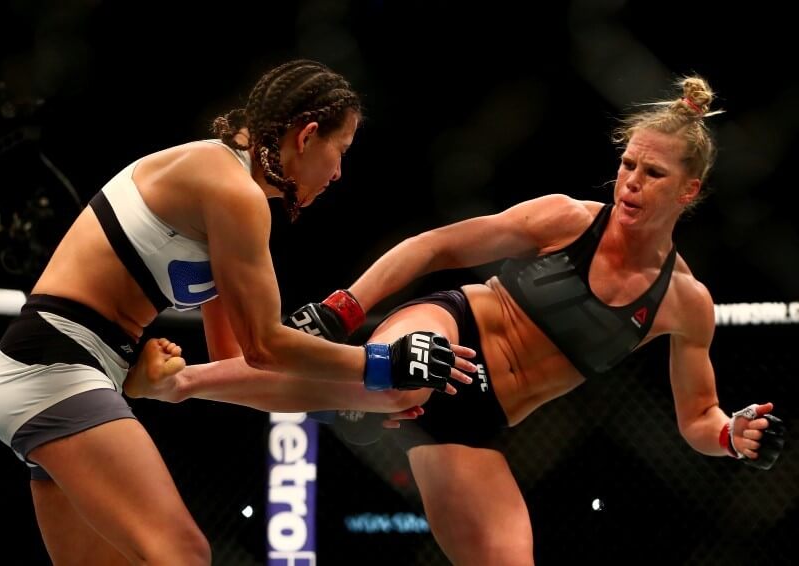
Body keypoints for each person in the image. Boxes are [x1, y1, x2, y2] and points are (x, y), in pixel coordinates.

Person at [124, 75, 785, 565]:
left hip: (479, 424)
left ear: (689, 191)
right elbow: (433, 245)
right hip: (450, 329)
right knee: (404, 381)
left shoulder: (684, 302)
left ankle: (285, 391)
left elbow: (698, 419)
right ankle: (180, 383)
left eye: (653, 173)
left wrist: (733, 435)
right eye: (627, 165)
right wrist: (341, 307)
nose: (632, 182)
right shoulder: (566, 220)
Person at [0, 59, 471, 566]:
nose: (338, 174)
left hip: (58, 372)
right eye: (342, 151)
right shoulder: (229, 188)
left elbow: (236, 365)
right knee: (182, 552)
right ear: (308, 134)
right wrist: (383, 365)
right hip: (57, 365)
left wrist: (347, 403)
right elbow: (267, 345)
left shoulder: (226, 194)